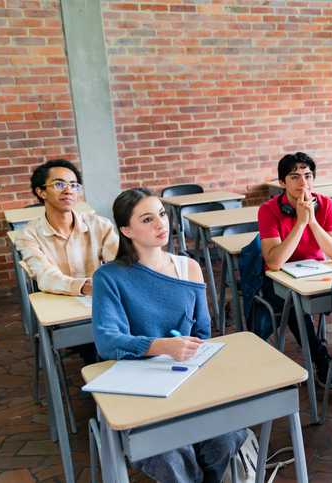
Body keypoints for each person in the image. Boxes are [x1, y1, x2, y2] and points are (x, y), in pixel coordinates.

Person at [92, 187, 245, 483]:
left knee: (228, 436)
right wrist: (161, 345)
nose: (161, 224)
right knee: (169, 455)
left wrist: (185, 349)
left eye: (162, 214)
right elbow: (107, 341)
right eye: (147, 219)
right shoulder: (108, 277)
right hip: (138, 385)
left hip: (187, 377)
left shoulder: (188, 267)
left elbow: (202, 333)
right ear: (126, 230)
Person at [15, 158, 118, 365]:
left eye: (74, 185)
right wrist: (83, 287)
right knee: (98, 340)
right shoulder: (28, 235)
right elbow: (45, 276)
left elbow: (122, 260)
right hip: (63, 313)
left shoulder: (99, 225)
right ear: (41, 192)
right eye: (60, 184)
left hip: (101, 301)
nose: (69, 191)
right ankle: (103, 389)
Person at [257, 152, 332, 388]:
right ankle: (320, 357)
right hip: (278, 277)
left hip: (315, 273)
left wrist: (313, 221)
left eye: (307, 176)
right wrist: (300, 222)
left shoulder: (325, 204)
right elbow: (274, 262)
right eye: (295, 177)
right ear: (282, 183)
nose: (303, 183)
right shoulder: (269, 210)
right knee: (295, 304)